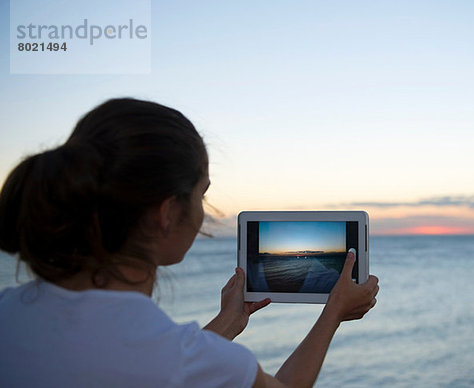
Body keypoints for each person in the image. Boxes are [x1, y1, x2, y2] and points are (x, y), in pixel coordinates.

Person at [0, 98, 379, 387]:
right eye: (202, 195)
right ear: (166, 214)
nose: (204, 213)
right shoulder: (188, 360)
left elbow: (166, 359)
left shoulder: (8, 312)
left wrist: (230, 319)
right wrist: (333, 313)